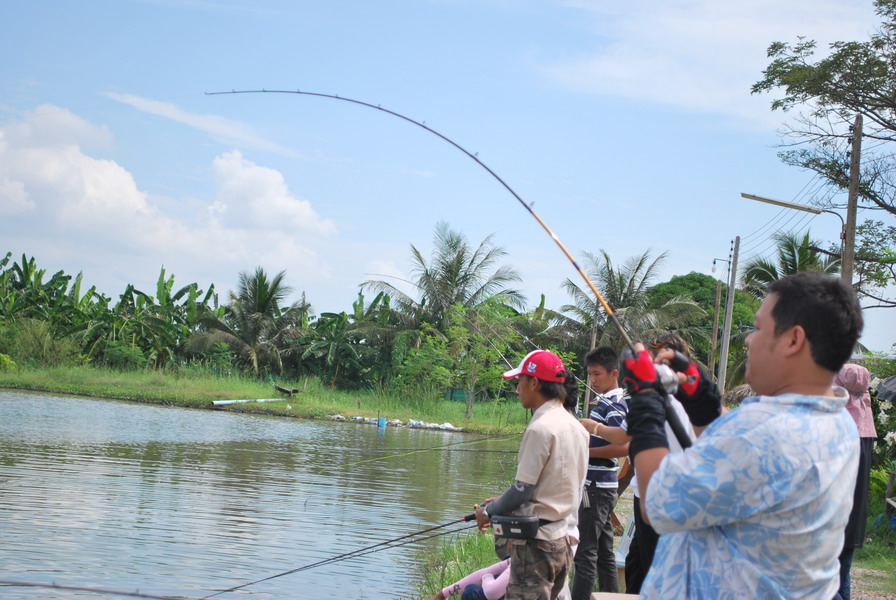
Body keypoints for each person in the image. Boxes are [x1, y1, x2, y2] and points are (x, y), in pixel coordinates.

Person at [623, 271, 863, 599]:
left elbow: (657, 503)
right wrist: (703, 404)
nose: (749, 339)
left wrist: (645, 402)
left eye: (759, 328)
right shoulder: (837, 422)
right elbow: (736, 462)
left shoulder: (764, 431)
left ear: (793, 340)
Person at [474, 350, 589, 600]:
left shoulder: (540, 428)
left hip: (538, 545)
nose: (517, 390)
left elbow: (522, 489)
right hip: (564, 540)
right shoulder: (576, 427)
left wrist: (486, 513)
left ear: (534, 382)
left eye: (520, 382)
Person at [570, 346, 628, 598]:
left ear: (614, 373)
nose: (592, 380)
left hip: (596, 489)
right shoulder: (604, 402)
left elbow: (621, 445)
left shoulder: (615, 404)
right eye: (590, 375)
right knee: (605, 554)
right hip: (601, 488)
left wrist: (586, 452)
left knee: (585, 553)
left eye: (597, 374)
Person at [834, 363, 877, 600]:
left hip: (832, 521)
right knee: (843, 576)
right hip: (853, 520)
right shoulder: (865, 430)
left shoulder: (838, 428)